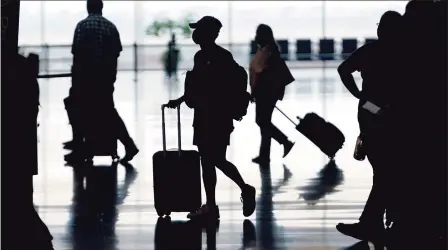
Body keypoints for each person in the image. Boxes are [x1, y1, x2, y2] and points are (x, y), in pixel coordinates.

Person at [166, 16, 256, 220]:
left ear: (208, 33)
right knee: (209, 161)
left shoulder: (218, 57)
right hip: (206, 115)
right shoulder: (204, 56)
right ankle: (212, 205)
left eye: (198, 30)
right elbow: (200, 86)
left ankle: (242, 189)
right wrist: (181, 100)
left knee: (213, 159)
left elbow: (211, 87)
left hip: (216, 116)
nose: (194, 34)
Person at [335, 11, 402, 244]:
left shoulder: (369, 51)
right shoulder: (404, 54)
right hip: (396, 116)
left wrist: (359, 95)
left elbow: (343, 70)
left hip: (370, 111)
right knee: (389, 170)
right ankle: (383, 220)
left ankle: (372, 222)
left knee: (383, 171)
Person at [69, 0, 139, 163]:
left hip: (86, 78)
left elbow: (77, 53)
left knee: (87, 113)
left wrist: (76, 80)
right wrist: (111, 77)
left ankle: (87, 149)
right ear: (101, 8)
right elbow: (116, 53)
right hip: (105, 78)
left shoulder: (82, 26)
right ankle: (126, 145)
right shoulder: (110, 27)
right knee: (108, 112)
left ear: (88, 7)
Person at [249, 24, 295, 165]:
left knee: (262, 121)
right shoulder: (264, 49)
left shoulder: (270, 51)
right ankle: (264, 155)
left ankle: (284, 141)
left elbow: (263, 72)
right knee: (264, 122)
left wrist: (256, 91)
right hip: (263, 91)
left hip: (267, 92)